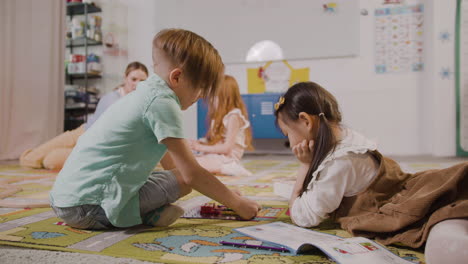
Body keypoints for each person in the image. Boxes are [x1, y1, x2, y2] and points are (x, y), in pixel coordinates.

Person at [49, 28, 260, 230]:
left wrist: (218, 194)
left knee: (176, 178)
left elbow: (172, 166)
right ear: (176, 77)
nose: (202, 96)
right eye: (202, 89)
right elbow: (191, 175)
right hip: (89, 208)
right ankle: (137, 213)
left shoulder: (146, 92)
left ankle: (146, 211)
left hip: (68, 200)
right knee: (186, 180)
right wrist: (238, 204)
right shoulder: (163, 103)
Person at [274, 81, 468, 264]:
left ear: (305, 121)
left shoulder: (339, 162)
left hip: (404, 208)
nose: (290, 143)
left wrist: (305, 166)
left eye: (287, 135)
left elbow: (303, 217)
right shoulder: (346, 139)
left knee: (447, 225)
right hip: (409, 189)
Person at [19, 61, 149, 170]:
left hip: (97, 148)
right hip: (83, 132)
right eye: (133, 79)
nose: (137, 84)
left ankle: (46, 160)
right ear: (125, 78)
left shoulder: (143, 104)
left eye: (142, 80)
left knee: (51, 160)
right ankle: (36, 159)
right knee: (29, 159)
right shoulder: (112, 97)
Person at [189, 75, 254, 176]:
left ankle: (231, 167)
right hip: (218, 155)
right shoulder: (218, 116)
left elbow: (226, 148)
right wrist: (199, 143)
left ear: (225, 96)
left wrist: (199, 147)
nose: (210, 100)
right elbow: (215, 140)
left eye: (214, 96)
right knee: (187, 161)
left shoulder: (234, 116)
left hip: (228, 158)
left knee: (193, 164)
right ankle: (221, 168)